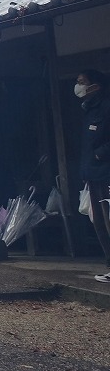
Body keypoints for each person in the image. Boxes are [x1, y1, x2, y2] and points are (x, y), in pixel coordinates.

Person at [75, 70, 110, 281]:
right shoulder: (88, 109)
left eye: (81, 82)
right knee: (99, 222)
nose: (77, 87)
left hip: (105, 171)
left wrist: (100, 154)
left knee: (108, 220)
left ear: (94, 86)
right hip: (93, 173)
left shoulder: (105, 106)